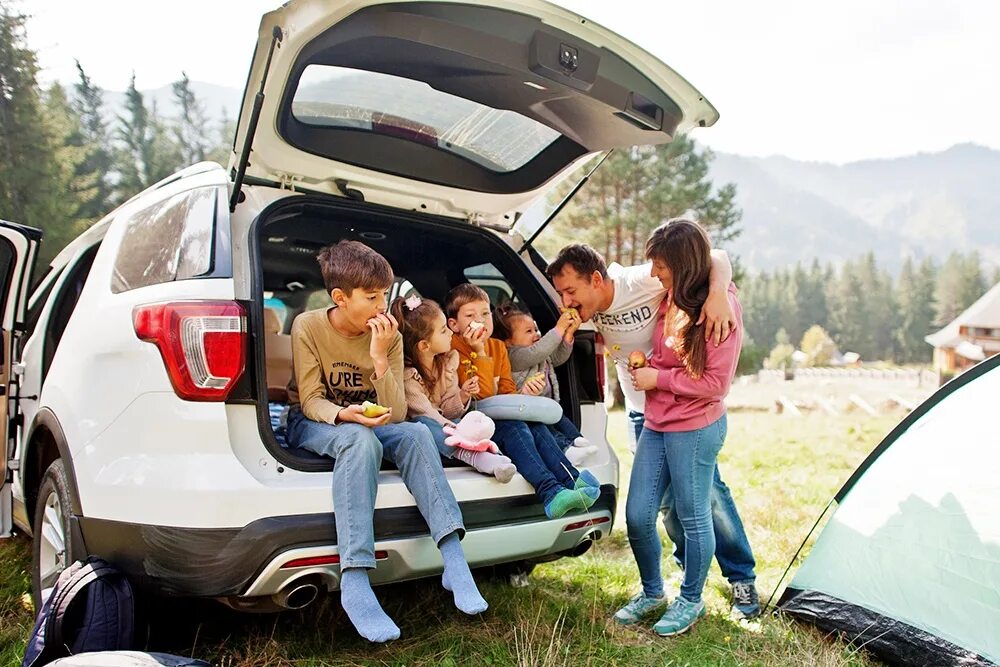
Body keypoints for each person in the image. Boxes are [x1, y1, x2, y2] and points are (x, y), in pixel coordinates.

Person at [284, 240, 487, 643]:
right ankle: (356, 580)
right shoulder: (308, 326)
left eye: (384, 295)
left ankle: (454, 560)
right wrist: (344, 414)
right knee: (360, 440)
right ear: (340, 298)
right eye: (371, 297)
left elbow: (394, 411)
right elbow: (309, 400)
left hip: (371, 419)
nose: (381, 306)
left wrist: (379, 358)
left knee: (413, 433)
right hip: (317, 419)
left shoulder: (390, 336)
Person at [547, 241, 760, 620]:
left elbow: (710, 257)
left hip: (688, 406)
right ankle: (682, 575)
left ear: (597, 280)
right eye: (561, 293)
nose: (565, 300)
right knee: (658, 506)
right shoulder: (585, 309)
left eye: (570, 291)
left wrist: (717, 294)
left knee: (705, 497)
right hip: (642, 412)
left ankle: (740, 576)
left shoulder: (639, 281)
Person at [623, 219, 749, 635]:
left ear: (682, 264)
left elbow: (716, 385)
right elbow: (713, 256)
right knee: (638, 515)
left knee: (694, 518)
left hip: (695, 428)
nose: (655, 273)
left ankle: (691, 600)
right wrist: (649, 365)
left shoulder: (720, 309)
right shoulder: (673, 296)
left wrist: (658, 379)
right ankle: (652, 593)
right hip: (657, 422)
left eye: (661, 265)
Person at [445, 283, 600, 518]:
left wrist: (523, 394)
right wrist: (480, 352)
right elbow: (481, 397)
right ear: (453, 325)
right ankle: (550, 492)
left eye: (486, 314)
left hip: (496, 416)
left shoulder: (497, 347)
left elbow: (505, 390)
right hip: (469, 423)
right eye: (470, 315)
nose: (482, 321)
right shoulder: (451, 350)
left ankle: (572, 480)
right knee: (516, 427)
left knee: (534, 425)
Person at [391, 293, 517, 482]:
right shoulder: (408, 376)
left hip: (445, 423)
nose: (451, 332)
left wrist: (463, 395)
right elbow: (426, 413)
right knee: (425, 425)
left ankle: (491, 454)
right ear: (424, 345)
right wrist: (460, 431)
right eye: (443, 330)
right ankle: (474, 456)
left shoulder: (448, 362)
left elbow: (449, 410)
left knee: (461, 418)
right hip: (429, 428)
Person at [492, 302, 599, 465]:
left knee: (560, 419)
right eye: (529, 331)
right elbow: (539, 351)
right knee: (547, 431)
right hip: (525, 412)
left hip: (545, 407)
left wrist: (568, 334)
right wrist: (559, 329)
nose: (536, 333)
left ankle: (577, 440)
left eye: (536, 329)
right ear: (509, 342)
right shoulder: (513, 356)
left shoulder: (539, 354)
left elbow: (558, 357)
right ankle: (566, 450)